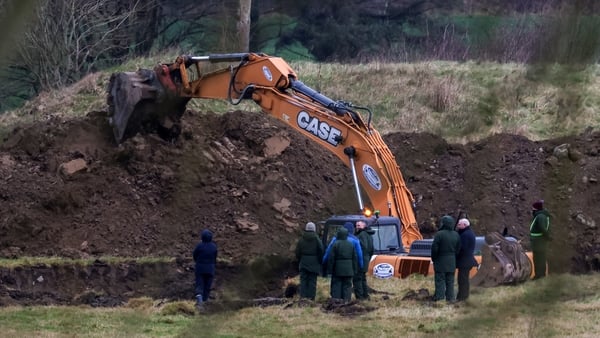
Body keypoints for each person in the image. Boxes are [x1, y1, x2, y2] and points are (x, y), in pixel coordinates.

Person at [431, 215, 461, 302]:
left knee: (440, 280)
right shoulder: (456, 234)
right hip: (452, 261)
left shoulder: (439, 234)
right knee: (450, 281)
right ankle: (450, 298)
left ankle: (439, 298)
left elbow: (434, 248)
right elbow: (458, 248)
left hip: (440, 261)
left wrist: (434, 258)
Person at [326, 226, 358, 302]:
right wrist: (355, 269)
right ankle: (346, 301)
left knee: (337, 284)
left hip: (338, 269)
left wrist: (330, 269)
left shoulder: (336, 244)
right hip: (349, 269)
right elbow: (354, 258)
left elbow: (331, 258)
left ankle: (336, 301)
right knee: (347, 285)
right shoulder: (351, 244)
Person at [294, 221, 324, 300]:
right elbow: (321, 250)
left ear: (306, 229)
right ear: (314, 229)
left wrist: (300, 259)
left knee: (303, 281)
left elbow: (297, 252)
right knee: (312, 281)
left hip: (303, 262)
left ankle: (303, 298)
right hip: (314, 263)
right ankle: (311, 299)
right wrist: (319, 261)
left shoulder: (301, 239)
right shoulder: (317, 239)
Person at [193, 229, 218, 308]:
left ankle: (200, 303)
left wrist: (198, 262)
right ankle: (205, 302)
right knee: (207, 286)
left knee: (200, 285)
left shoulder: (199, 246)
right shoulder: (214, 246)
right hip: (210, 269)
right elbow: (215, 257)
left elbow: (194, 255)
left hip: (200, 268)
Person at [455, 218, 478, 301]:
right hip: (468, 261)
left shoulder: (465, 235)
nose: (457, 226)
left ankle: (462, 297)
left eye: (459, 224)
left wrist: (456, 255)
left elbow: (462, 248)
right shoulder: (469, 233)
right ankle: (464, 296)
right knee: (464, 280)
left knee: (462, 280)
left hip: (464, 261)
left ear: (464, 225)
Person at [530, 199, 551, 279]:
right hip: (539, 241)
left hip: (539, 241)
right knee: (540, 258)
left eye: (533, 209)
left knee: (539, 258)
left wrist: (547, 236)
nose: (532, 210)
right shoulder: (541, 216)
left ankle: (539, 275)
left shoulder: (540, 217)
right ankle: (540, 275)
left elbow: (542, 228)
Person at [353, 220, 374, 300]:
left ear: (364, 226)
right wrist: (368, 258)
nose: (357, 227)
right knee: (362, 278)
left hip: (360, 260)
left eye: (359, 225)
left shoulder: (361, 235)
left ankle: (360, 297)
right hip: (366, 260)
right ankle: (365, 296)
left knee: (357, 279)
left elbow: (361, 248)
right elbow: (372, 250)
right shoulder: (369, 235)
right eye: (356, 225)